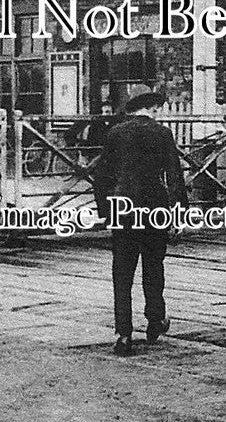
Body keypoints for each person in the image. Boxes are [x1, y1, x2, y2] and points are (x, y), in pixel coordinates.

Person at [92, 87, 187, 356]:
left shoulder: (115, 133)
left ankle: (124, 333)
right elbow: (174, 175)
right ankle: (155, 320)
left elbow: (102, 178)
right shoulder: (162, 133)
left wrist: (106, 211)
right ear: (152, 108)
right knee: (153, 266)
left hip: (123, 208)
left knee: (122, 273)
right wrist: (179, 212)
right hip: (155, 207)